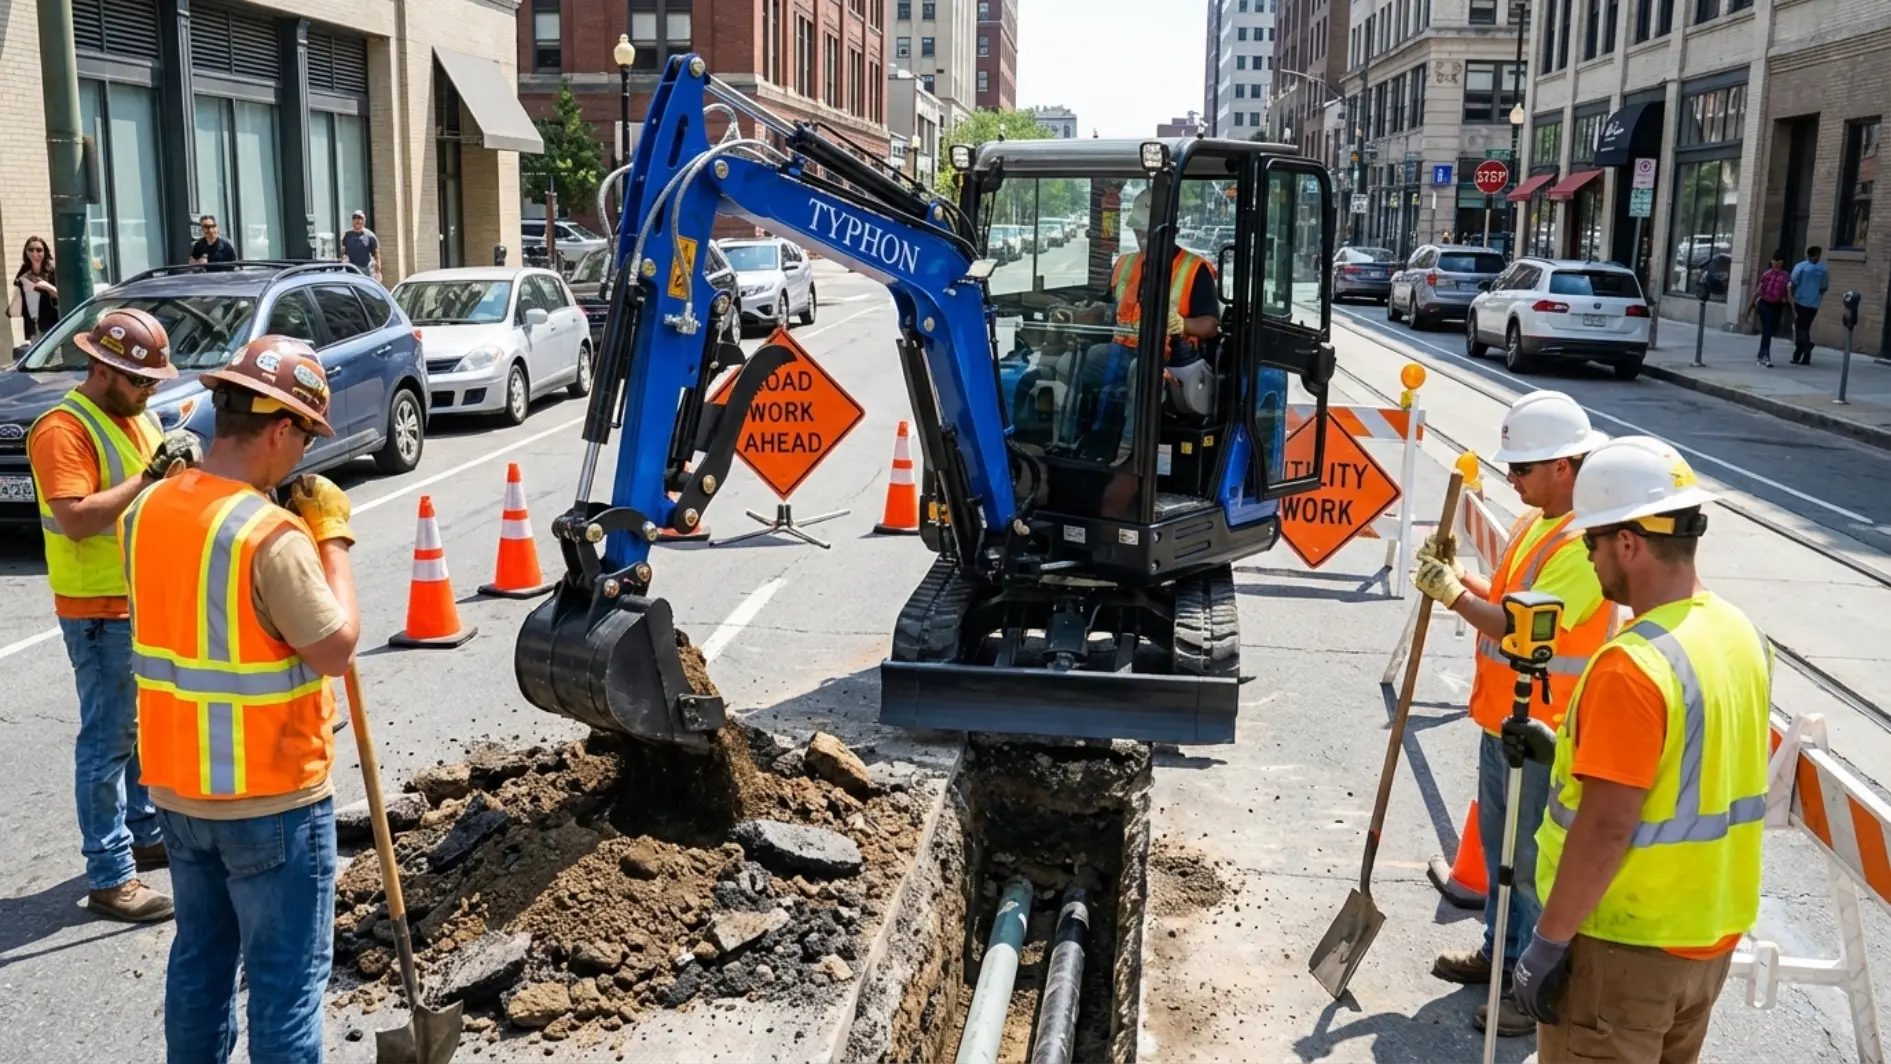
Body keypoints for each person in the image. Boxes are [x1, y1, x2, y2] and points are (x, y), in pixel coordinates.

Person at [121, 335, 359, 1062]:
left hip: (178, 793)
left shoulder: (150, 508)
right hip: (271, 799)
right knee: (286, 987)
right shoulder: (270, 535)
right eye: (304, 437)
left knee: (200, 962)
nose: (303, 457)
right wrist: (334, 542)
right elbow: (334, 647)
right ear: (281, 428)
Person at [1507, 437, 1770, 1064]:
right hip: (1705, 944)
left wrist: (1546, 943)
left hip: (1622, 950)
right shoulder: (1739, 632)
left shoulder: (1633, 663)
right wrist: (1565, 752)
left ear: (1628, 543)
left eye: (1592, 542)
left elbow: (1605, 827)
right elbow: (1685, 762)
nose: (1591, 559)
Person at [1409, 389, 1618, 1038]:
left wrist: (1448, 596)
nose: (1510, 477)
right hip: (1501, 719)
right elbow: (1502, 600)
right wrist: (1458, 580)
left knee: (1531, 866)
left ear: (1563, 467)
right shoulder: (1534, 524)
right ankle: (1497, 954)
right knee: (1502, 854)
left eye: (1521, 468)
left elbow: (1523, 632)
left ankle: (1530, 990)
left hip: (1544, 732)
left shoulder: (1582, 545)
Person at [26, 308, 200, 922]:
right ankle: (109, 872)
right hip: (97, 609)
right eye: (141, 381)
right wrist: (151, 477)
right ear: (102, 369)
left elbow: (152, 489)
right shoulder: (62, 429)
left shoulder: (133, 413)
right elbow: (76, 518)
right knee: (105, 744)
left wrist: (179, 470)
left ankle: (143, 831)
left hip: (140, 598)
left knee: (139, 732)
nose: (151, 391)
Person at [1060, 188, 1219, 457]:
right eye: (1138, 231)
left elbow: (1211, 325)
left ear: (1173, 230)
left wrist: (1181, 324)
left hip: (1170, 359)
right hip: (1122, 350)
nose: (1141, 238)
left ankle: (1129, 453)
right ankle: (1067, 440)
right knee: (1073, 361)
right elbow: (1110, 308)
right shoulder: (1125, 264)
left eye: (1148, 232)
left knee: (1141, 369)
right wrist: (1084, 312)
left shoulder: (1195, 269)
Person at [11, 236, 60, 342]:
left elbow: (61, 298)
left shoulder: (52, 272)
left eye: (39, 250)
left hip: (51, 325)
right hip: (32, 326)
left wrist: (47, 287)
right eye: (30, 250)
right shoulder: (23, 272)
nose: (34, 254)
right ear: (26, 252)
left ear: (45, 252)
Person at [1747, 251, 1790, 368]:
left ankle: (1761, 354)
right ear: (1772, 261)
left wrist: (1790, 304)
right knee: (1767, 328)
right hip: (1764, 304)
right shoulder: (1767, 275)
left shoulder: (1786, 276)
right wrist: (1749, 310)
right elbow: (1757, 292)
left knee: (1771, 330)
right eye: (1775, 261)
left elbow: (1788, 293)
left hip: (1777, 305)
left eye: (1779, 262)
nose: (1777, 264)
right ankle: (1766, 356)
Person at [1788, 244, 1828, 365]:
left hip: (1801, 301)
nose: (1818, 257)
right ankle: (1801, 356)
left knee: (1801, 328)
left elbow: (1793, 282)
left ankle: (1807, 346)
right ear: (1811, 255)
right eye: (1817, 255)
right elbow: (1824, 287)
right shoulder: (1822, 269)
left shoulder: (1800, 267)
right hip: (1814, 303)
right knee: (1804, 328)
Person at [340, 209, 381, 281]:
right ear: (352, 221)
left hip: (365, 270)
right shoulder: (347, 235)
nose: (357, 220)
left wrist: (378, 272)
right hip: (350, 269)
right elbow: (343, 252)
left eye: (359, 218)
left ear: (364, 221)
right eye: (354, 218)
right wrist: (343, 260)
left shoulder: (370, 236)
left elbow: (377, 255)